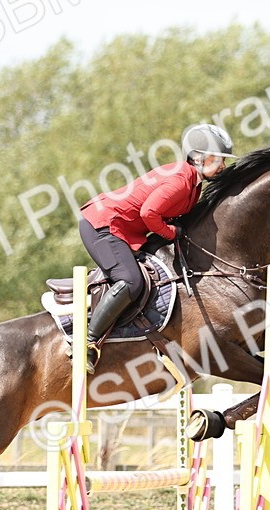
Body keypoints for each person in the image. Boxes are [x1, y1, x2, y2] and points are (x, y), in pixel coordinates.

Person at [76, 123, 234, 372]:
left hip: (121, 228)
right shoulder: (181, 182)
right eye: (220, 159)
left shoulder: (193, 183)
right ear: (200, 158)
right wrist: (171, 232)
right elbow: (148, 212)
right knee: (131, 281)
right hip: (102, 225)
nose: (223, 165)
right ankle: (88, 341)